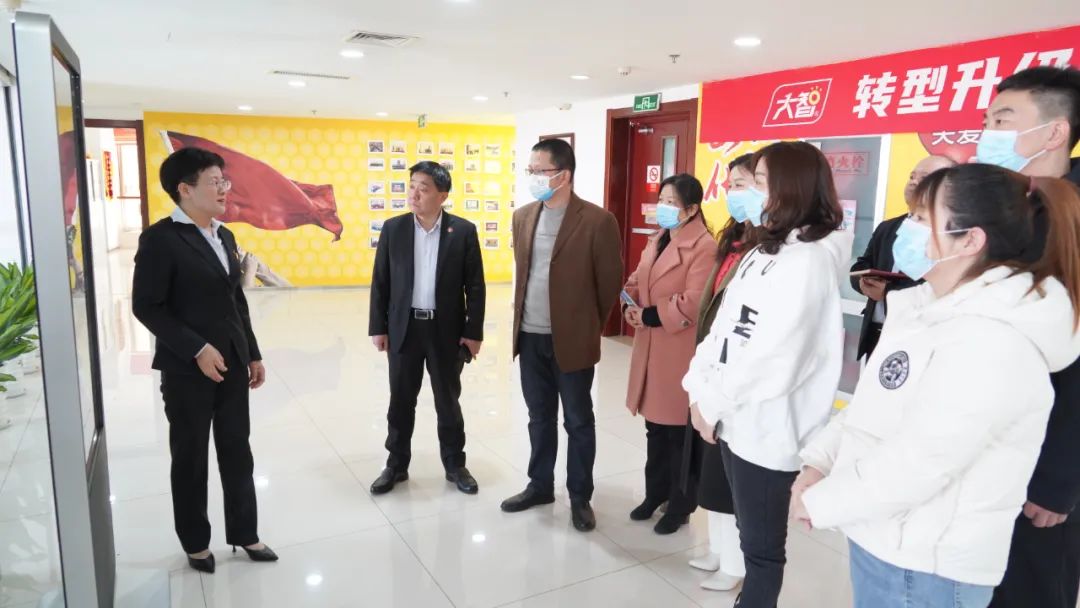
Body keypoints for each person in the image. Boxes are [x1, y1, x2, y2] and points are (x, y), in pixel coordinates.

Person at [793, 164, 1080, 608]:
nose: (906, 230)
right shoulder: (924, 310)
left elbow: (924, 460)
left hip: (926, 566)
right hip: (885, 537)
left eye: (921, 218)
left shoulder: (994, 337)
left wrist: (823, 502)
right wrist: (819, 464)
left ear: (969, 240)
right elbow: (872, 408)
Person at [684, 141, 851, 607]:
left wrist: (712, 402)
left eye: (759, 182)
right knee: (747, 532)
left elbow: (776, 359)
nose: (750, 193)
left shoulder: (809, 261)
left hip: (767, 429)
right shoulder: (766, 249)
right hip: (733, 418)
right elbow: (722, 330)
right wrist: (698, 390)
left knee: (761, 552)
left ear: (791, 188)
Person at [132, 147, 277, 574]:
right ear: (185, 189)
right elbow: (147, 306)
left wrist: (252, 352)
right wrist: (196, 348)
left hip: (231, 362)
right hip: (186, 370)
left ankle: (245, 533)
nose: (224, 189)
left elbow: (235, 302)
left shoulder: (224, 236)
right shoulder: (160, 239)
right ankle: (196, 543)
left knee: (237, 449)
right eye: (215, 182)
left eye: (223, 181)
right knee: (191, 456)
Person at [978, 65, 1080, 608]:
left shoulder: (1072, 217)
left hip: (1043, 463)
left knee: (1030, 588)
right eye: (988, 120)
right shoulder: (1005, 210)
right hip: (984, 446)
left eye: (1002, 119)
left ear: (1055, 132)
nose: (988, 132)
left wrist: (1057, 479)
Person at [501, 139, 623, 532]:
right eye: (530, 170)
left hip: (571, 341)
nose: (533, 177)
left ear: (563, 175)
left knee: (578, 421)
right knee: (539, 417)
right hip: (529, 335)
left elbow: (609, 283)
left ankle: (580, 496)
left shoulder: (597, 221)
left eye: (540, 171)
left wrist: (584, 325)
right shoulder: (523, 217)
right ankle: (539, 485)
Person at [368, 161, 485, 496]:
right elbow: (380, 282)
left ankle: (455, 464)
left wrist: (473, 333)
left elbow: (475, 286)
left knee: (448, 401)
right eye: (412, 186)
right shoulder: (394, 229)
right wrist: (378, 327)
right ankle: (396, 464)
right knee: (401, 400)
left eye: (423, 188)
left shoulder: (463, 231)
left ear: (442, 195)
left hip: (445, 331)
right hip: (404, 329)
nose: (414, 194)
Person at [621, 173, 716, 535]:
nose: (663, 207)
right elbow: (638, 278)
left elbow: (694, 300)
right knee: (655, 429)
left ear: (691, 209)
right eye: (661, 199)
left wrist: (648, 314)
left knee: (678, 434)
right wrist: (629, 300)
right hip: (651, 345)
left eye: (672, 202)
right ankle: (654, 494)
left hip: (678, 349)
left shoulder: (704, 246)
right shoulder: (660, 237)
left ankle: (680, 506)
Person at [684, 154, 756, 592]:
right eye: (731, 185)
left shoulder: (769, 247)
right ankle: (716, 549)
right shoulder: (733, 235)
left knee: (730, 480)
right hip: (712, 364)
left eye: (743, 184)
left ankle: (735, 564)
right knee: (711, 470)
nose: (733, 193)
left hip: (735, 374)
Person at [851, 155, 955, 360]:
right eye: (912, 176)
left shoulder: (953, 235)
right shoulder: (888, 227)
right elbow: (862, 264)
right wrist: (862, 283)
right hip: (878, 334)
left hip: (920, 339)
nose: (914, 182)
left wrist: (888, 292)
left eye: (924, 178)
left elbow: (940, 287)